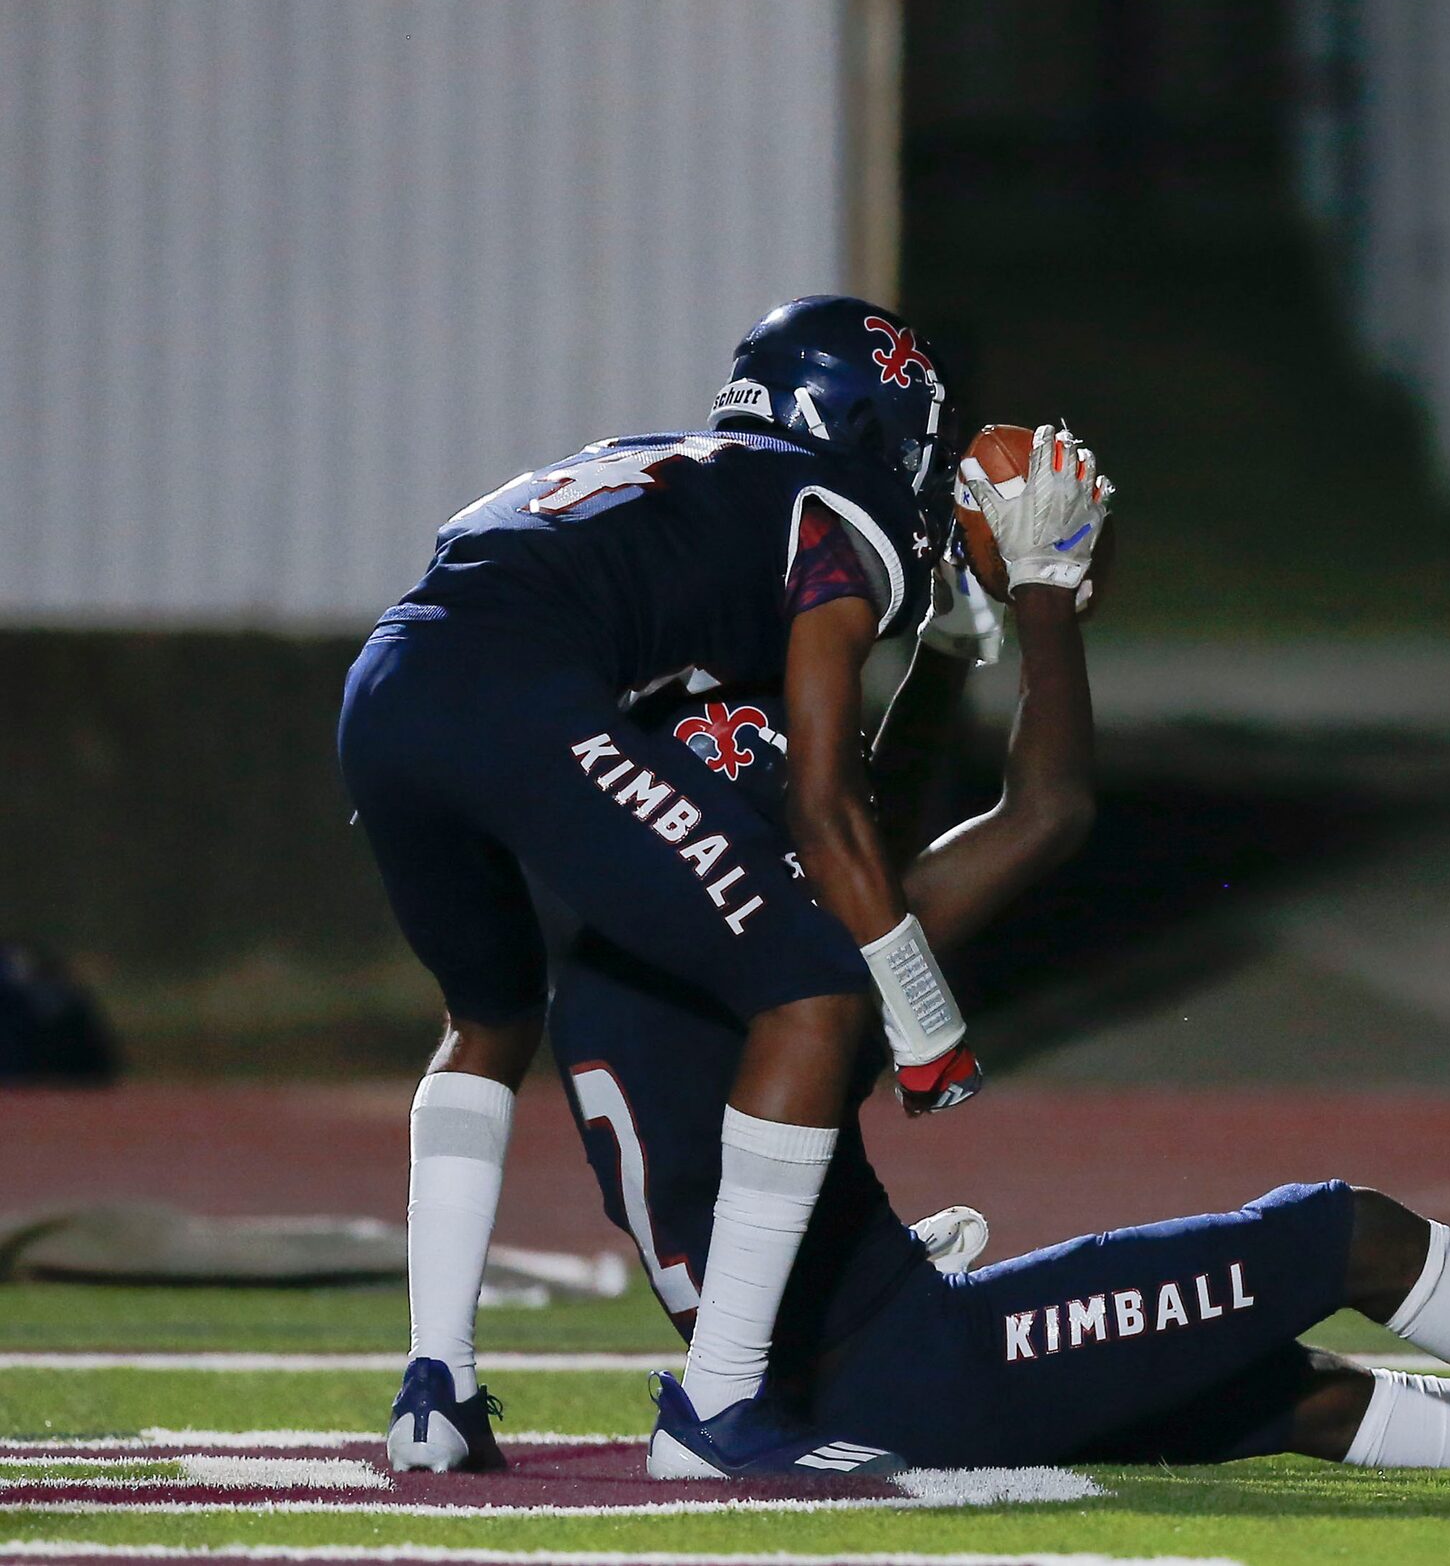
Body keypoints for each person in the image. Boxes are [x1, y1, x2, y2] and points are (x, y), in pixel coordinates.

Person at [532, 457, 1450, 1477]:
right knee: (1345, 1233)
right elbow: (1044, 818)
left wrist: (953, 659)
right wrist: (1042, 607)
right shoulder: (762, 943)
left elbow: (863, 837)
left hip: (858, 1360)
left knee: (1289, 1394)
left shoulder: (628, 952)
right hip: (911, 1370)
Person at [343, 296, 1007, 1478]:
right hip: (514, 692)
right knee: (813, 986)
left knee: (488, 1017)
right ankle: (720, 1407)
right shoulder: (833, 509)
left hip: (389, 682)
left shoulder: (657, 460)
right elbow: (825, 802)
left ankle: (434, 1387)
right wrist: (926, 1021)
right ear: (873, 430)